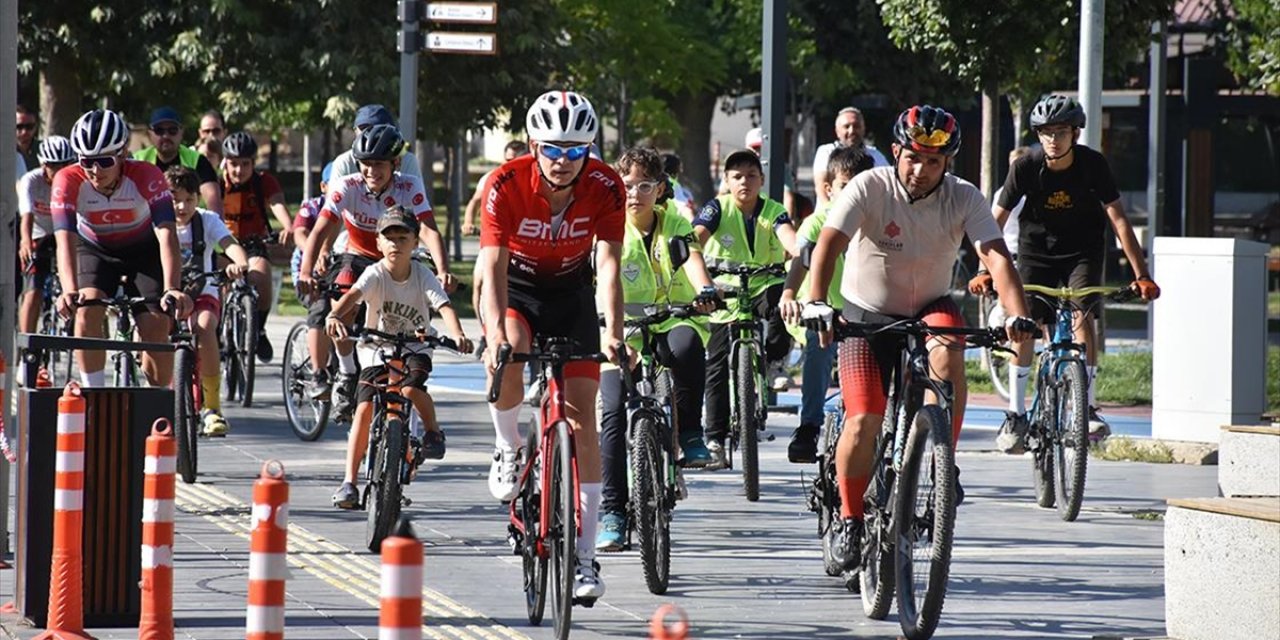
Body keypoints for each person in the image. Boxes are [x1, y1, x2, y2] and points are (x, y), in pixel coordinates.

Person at [801, 105, 1034, 575]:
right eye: (912, 158)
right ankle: (849, 516)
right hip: (865, 313)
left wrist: (1017, 315)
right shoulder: (871, 185)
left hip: (930, 303)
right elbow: (828, 243)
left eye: (934, 161)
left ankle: (943, 461)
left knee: (951, 348)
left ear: (948, 162)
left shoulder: (964, 197)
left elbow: (996, 256)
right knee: (864, 417)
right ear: (895, 153)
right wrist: (816, 301)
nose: (921, 170)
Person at [478, 90, 627, 601]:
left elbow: (607, 265)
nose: (563, 162)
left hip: (571, 292)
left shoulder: (607, 185)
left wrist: (612, 332)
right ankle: (508, 445)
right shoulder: (504, 182)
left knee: (584, 414)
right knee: (510, 350)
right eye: (552, 150)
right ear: (533, 145)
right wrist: (495, 334)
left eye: (575, 151)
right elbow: (492, 266)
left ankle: (585, 559)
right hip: (515, 288)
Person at [968, 95, 1160, 450]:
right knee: (1022, 325)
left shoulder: (1093, 165)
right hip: (1035, 251)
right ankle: (1015, 413)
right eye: (1045, 133)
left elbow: (1117, 218)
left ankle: (1087, 406)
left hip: (1082, 250)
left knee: (1081, 314)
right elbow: (995, 220)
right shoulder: (1025, 167)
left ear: (1075, 132)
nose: (1052, 140)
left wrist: (1142, 273)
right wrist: (984, 269)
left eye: (1060, 132)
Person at [595, 146, 718, 552]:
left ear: (660, 189)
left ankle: (691, 433)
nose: (634, 193)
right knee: (612, 411)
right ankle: (612, 511)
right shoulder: (606, 227)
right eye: (627, 185)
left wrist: (705, 290)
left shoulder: (675, 222)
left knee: (686, 348)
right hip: (620, 329)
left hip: (672, 318)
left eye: (645, 185)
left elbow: (693, 259)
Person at [297, 124, 452, 423]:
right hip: (358, 256)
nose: (371, 171)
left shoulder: (408, 186)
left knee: (416, 306)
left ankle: (411, 374)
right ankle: (347, 371)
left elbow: (429, 229)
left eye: (379, 164)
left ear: (395, 164)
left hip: (399, 257)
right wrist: (306, 271)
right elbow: (320, 229)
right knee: (341, 295)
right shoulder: (347, 186)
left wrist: (443, 270)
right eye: (366, 164)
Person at [327, 207, 472, 508]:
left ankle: (433, 431)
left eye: (402, 237)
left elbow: (444, 306)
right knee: (364, 409)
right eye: (388, 237)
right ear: (378, 243)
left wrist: (457, 334)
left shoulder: (422, 275)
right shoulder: (375, 273)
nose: (395, 244)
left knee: (410, 388)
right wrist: (333, 315)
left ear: (415, 242)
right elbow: (353, 296)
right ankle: (349, 483)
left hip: (415, 347)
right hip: (376, 347)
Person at [53, 109, 193, 387]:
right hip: (94, 250)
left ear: (123, 154)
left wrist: (172, 288)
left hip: (143, 250)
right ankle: (93, 399)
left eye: (104, 161)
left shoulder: (147, 175)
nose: (95, 170)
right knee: (86, 311)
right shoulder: (67, 180)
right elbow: (64, 240)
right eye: (86, 161)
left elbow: (167, 234)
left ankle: (158, 403)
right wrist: (69, 290)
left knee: (155, 323)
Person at [694, 148, 798, 470]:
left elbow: (789, 239)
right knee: (714, 364)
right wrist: (688, 250)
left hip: (763, 285)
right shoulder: (716, 208)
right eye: (737, 176)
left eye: (752, 176)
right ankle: (714, 438)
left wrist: (801, 251)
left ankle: (775, 362)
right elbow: (696, 236)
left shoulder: (774, 210)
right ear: (726, 180)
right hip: (724, 294)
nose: (745, 182)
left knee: (782, 302)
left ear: (762, 180)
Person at [778, 145, 876, 463]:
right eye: (847, 186)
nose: (854, 194)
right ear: (828, 189)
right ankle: (809, 425)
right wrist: (789, 294)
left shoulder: (878, 222)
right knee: (817, 350)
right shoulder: (817, 222)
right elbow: (801, 260)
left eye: (863, 185)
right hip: (827, 309)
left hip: (868, 310)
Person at [165, 166, 251, 436]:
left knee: (204, 326)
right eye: (175, 198)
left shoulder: (207, 220)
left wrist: (240, 262)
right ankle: (161, 397)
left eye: (189, 199)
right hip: (169, 292)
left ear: (198, 199)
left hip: (203, 290)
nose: (182, 206)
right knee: (154, 333)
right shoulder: (156, 221)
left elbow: (229, 243)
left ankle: (212, 408)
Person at [218, 131, 295, 363]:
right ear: (225, 163)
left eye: (245, 164)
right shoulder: (217, 183)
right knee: (220, 285)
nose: (239, 170)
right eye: (233, 164)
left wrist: (288, 226)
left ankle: (258, 330)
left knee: (261, 278)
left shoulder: (263, 182)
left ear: (253, 163)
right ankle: (219, 332)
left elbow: (277, 204)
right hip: (223, 243)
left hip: (253, 242)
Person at [16, 136, 75, 381]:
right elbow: (27, 216)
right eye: (53, 166)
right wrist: (25, 242)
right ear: (44, 165)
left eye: (64, 165)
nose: (59, 171)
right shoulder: (31, 180)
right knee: (33, 291)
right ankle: (25, 351)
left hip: (67, 233)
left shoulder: (74, 180)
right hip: (40, 234)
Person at [133, 107, 223, 213]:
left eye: (172, 130)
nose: (166, 136)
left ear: (181, 132)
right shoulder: (137, 161)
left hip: (190, 224)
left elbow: (214, 203)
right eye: (159, 130)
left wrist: (216, 228)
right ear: (150, 134)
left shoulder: (198, 160)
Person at [812, 107, 891, 207]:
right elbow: (821, 185)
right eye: (846, 126)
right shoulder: (825, 151)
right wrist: (829, 212)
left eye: (856, 126)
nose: (852, 130)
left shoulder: (875, 155)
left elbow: (889, 185)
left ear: (863, 129)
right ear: (837, 131)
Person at [328, 105, 424, 180]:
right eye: (363, 129)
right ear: (355, 131)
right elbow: (335, 201)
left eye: (379, 163)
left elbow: (416, 201)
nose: (372, 171)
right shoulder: (343, 163)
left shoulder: (407, 161)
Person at [462, 140, 529, 236]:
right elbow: (475, 201)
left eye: (518, 161)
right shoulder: (492, 179)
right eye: (509, 160)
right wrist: (468, 223)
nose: (513, 165)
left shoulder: (535, 180)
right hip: (497, 235)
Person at [663, 152, 697, 221]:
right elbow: (683, 205)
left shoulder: (654, 183)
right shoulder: (673, 185)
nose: (681, 171)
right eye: (680, 168)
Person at [16, 104, 39, 169]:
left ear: (36, 127)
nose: (24, 132)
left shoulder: (44, 150)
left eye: (29, 127)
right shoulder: (4, 151)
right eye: (19, 127)